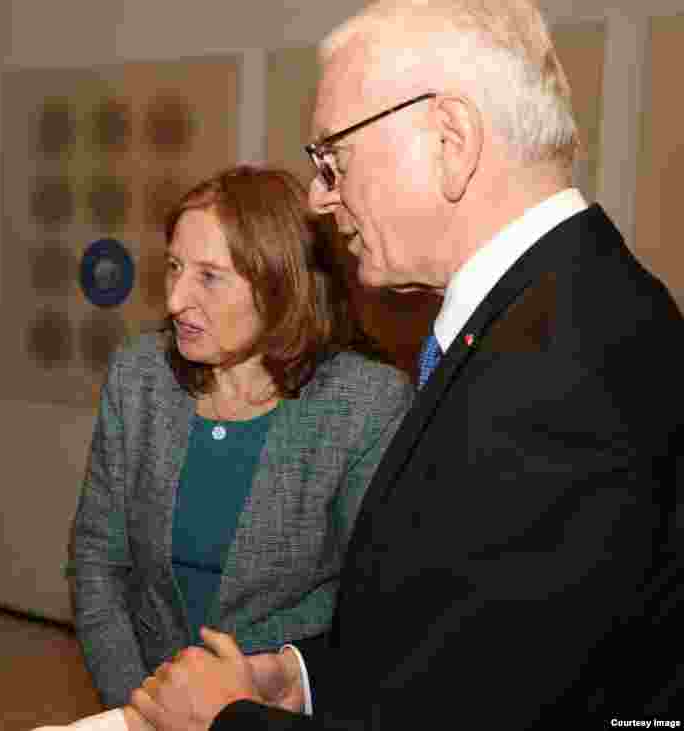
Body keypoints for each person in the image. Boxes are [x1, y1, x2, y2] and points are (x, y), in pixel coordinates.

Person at [129, 1, 684, 728]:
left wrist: (224, 721)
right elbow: (453, 644)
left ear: (451, 139)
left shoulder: (565, 369)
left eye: (334, 159)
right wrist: (303, 679)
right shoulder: (553, 312)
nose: (320, 197)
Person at [72, 165, 412, 713]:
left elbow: (375, 603)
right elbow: (97, 562)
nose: (176, 299)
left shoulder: (365, 404)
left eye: (209, 277)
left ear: (281, 287)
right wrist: (141, 708)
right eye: (174, 267)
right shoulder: (139, 376)